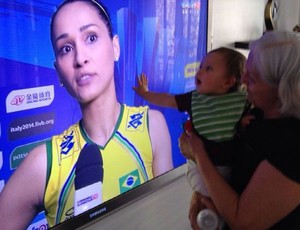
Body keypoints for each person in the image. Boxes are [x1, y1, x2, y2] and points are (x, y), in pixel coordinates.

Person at [0, 0, 173, 229]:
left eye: (91, 37)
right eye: (66, 48)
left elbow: (170, 218)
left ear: (115, 47)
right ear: (58, 71)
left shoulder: (152, 127)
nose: (80, 58)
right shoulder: (45, 163)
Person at [179, 30, 300, 230]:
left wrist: (199, 153)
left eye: (252, 78)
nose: (242, 81)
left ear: (281, 88)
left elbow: (243, 221)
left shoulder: (293, 144)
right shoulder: (256, 113)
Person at [133, 47, 248, 207]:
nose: (199, 72)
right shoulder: (194, 99)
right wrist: (146, 94)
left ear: (228, 82)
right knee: (203, 193)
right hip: (200, 167)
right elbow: (168, 100)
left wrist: (246, 120)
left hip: (228, 167)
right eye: (201, 66)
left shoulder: (241, 100)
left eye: (208, 69)